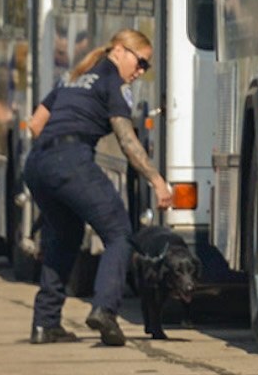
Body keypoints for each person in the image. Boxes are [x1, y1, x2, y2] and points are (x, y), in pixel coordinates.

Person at [18, 29, 173, 346]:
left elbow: (35, 124)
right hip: (70, 159)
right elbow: (127, 140)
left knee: (63, 236)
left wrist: (54, 158)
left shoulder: (73, 76)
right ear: (120, 51)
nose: (141, 71)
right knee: (118, 233)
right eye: (141, 62)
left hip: (37, 162)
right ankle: (105, 310)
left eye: (147, 67)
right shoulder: (111, 80)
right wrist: (157, 181)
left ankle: (45, 323)